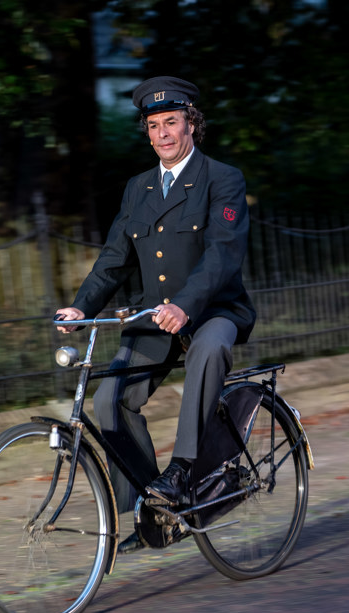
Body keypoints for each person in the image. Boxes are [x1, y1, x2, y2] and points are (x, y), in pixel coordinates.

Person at [55, 76, 256, 552]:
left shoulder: (222, 178)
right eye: (153, 125)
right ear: (146, 133)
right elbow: (114, 258)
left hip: (212, 309)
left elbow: (222, 255)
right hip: (155, 316)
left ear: (192, 124)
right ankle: (153, 508)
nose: (163, 133)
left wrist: (186, 306)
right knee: (109, 402)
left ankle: (183, 471)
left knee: (208, 351)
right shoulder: (137, 188)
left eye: (171, 122)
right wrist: (82, 306)